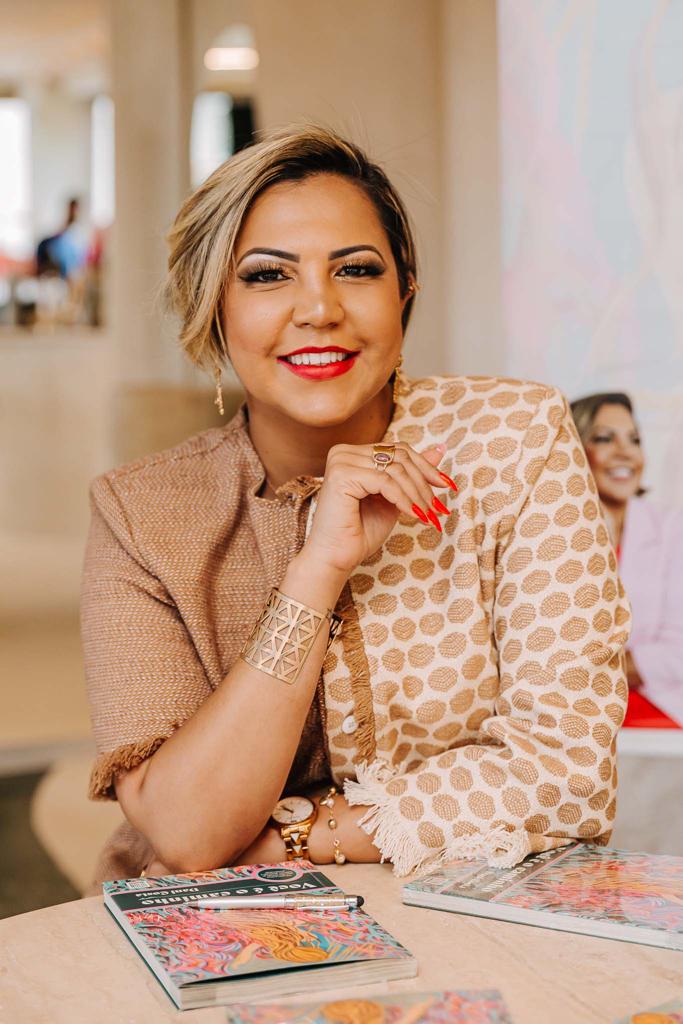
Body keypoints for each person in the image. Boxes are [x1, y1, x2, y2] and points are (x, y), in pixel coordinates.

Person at [82, 126, 631, 886]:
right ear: (213, 310)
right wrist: (317, 570)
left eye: (356, 269)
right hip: (210, 928)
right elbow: (186, 831)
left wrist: (291, 836)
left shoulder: (513, 439)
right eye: (267, 276)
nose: (319, 308)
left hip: (473, 912)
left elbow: (566, 772)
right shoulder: (144, 514)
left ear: (405, 290)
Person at [571, 392, 683, 724]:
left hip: (658, 706)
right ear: (572, 451)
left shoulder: (673, 529)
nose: (625, 452)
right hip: (574, 711)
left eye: (634, 440)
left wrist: (588, 676)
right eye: (605, 438)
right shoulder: (550, 533)